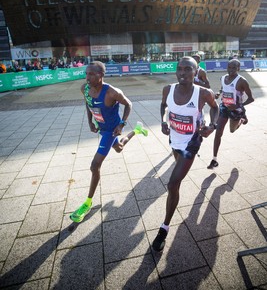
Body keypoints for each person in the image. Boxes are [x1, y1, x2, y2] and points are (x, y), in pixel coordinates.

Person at [152, 56, 219, 252]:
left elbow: (216, 108)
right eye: (179, 69)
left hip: (192, 143)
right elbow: (164, 105)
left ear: (195, 72)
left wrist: (212, 126)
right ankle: (176, 192)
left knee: (172, 183)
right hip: (174, 140)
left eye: (188, 69)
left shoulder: (203, 93)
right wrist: (164, 122)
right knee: (176, 184)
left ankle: (164, 228)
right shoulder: (168, 89)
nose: (182, 73)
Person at [70, 61, 148, 223]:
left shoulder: (112, 92)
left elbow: (129, 104)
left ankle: (88, 202)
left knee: (94, 165)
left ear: (101, 75)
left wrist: (122, 124)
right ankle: (137, 131)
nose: (87, 77)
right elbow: (88, 102)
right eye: (86, 74)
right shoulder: (84, 88)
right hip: (101, 126)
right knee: (119, 148)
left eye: (91, 74)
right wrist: (90, 121)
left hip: (111, 130)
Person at [207, 59, 254, 169]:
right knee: (218, 132)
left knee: (232, 130)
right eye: (229, 67)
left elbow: (251, 99)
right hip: (224, 108)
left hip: (236, 110)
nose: (231, 70)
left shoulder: (242, 81)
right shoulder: (223, 78)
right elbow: (223, 89)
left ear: (238, 68)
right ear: (227, 67)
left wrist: (237, 106)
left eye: (234, 68)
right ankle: (214, 159)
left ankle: (242, 119)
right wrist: (219, 93)